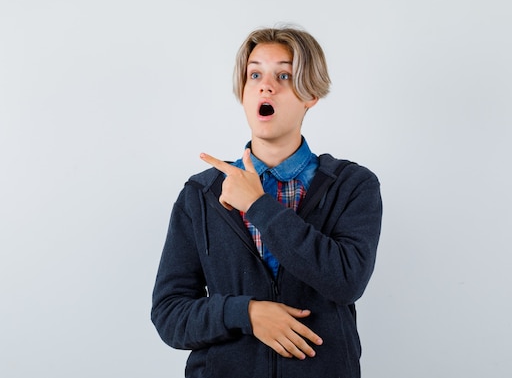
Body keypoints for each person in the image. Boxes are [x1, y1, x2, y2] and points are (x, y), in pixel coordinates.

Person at [151, 25, 383, 378]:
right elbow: (170, 314)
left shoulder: (352, 185)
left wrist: (258, 205)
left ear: (311, 95)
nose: (266, 85)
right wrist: (247, 314)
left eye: (284, 75)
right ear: (243, 91)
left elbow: (346, 282)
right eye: (255, 73)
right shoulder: (201, 194)